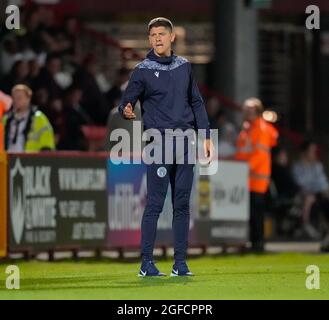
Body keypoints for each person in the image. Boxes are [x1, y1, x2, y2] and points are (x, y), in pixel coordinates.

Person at [118, 17, 213, 276]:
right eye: (153, 35)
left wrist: (205, 136)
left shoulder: (185, 66)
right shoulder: (142, 70)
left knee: (182, 205)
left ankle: (180, 263)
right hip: (158, 144)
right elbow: (126, 102)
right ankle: (146, 263)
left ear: (172, 37)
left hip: (185, 144)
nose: (157, 38)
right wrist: (126, 110)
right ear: (149, 39)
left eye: (162, 33)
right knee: (155, 205)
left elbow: (196, 102)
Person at [236, 97, 278, 252]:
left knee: (256, 213)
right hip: (246, 178)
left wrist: (243, 169)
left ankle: (258, 244)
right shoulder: (248, 128)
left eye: (250, 109)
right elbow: (241, 152)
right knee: (251, 213)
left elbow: (259, 155)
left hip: (257, 179)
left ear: (258, 111)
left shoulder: (261, 129)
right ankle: (254, 243)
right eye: (245, 109)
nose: (246, 112)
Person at [292, 141, 329, 244]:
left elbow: (323, 183)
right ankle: (306, 224)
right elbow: (300, 184)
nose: (314, 154)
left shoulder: (317, 166)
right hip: (304, 195)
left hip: (320, 194)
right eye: (311, 151)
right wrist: (313, 192)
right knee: (309, 199)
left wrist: (321, 191)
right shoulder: (297, 167)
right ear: (304, 152)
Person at [3, 84, 55, 152]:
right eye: (14, 98)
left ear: (28, 98)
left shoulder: (38, 118)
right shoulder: (6, 119)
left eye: (19, 98)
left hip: (30, 159)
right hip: (8, 158)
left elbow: (47, 142)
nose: (16, 101)